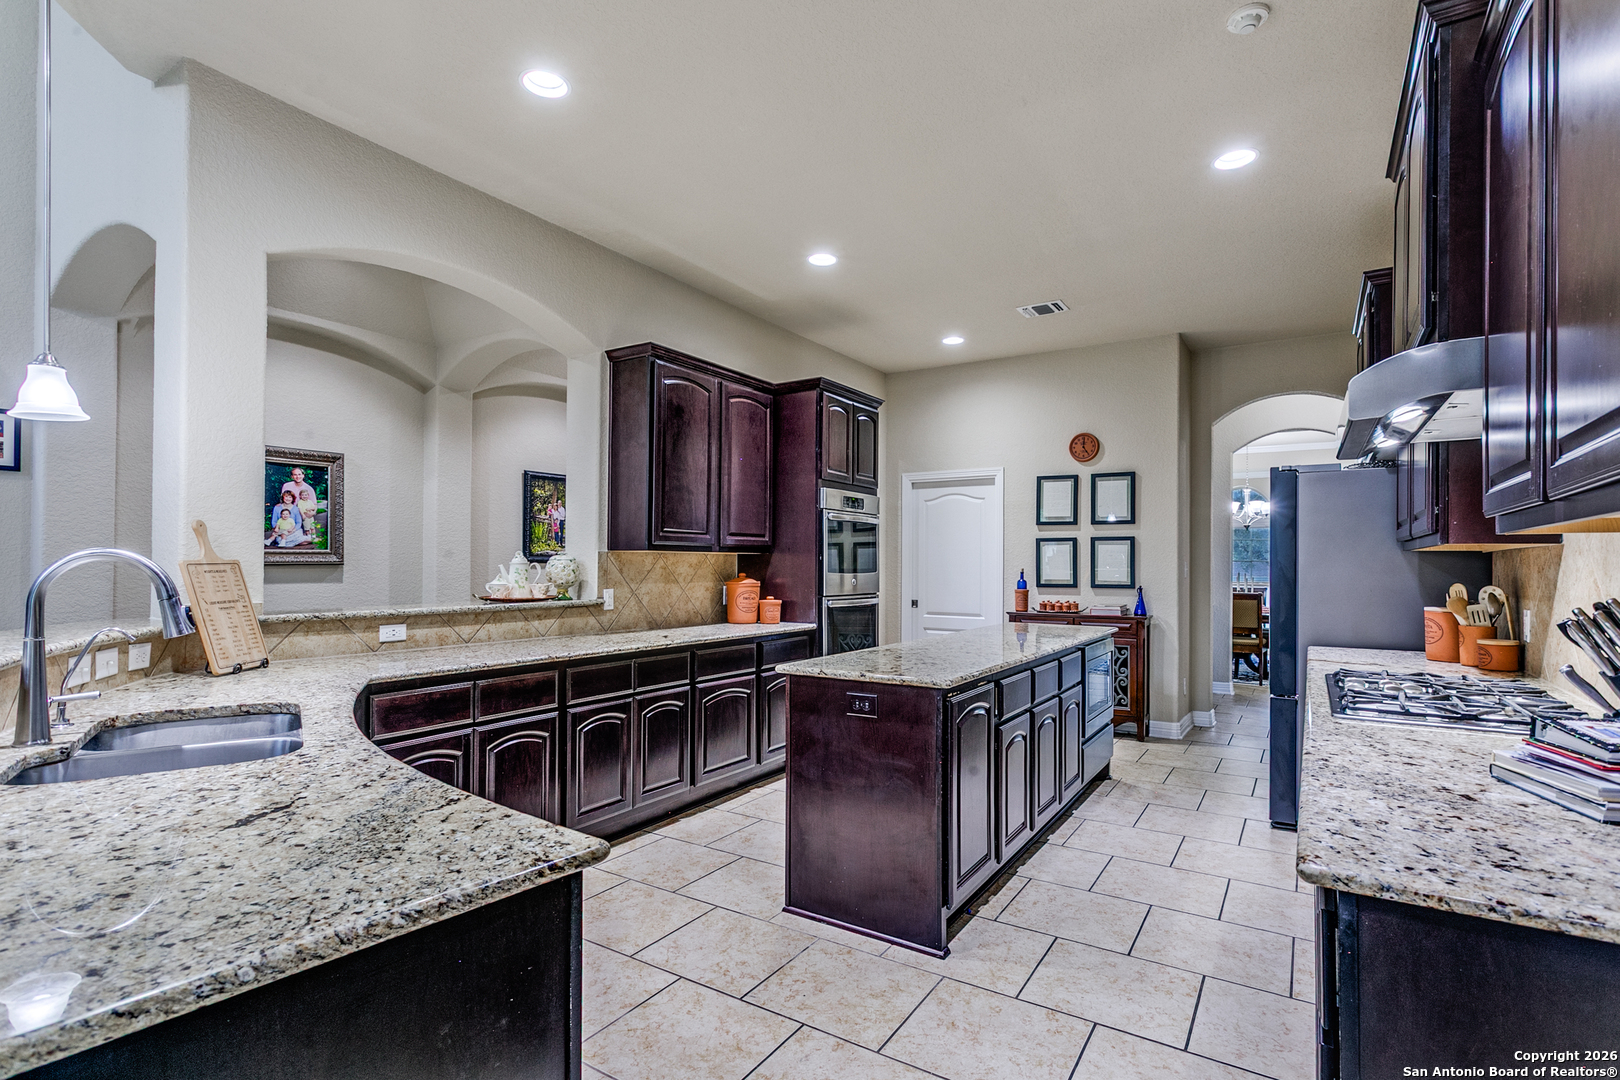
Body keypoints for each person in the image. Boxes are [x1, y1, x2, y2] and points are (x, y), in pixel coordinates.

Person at [281, 467, 319, 540]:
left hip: (304, 513)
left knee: (309, 525)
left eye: (299, 474)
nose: (297, 477)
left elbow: (314, 504)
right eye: (295, 475)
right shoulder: (286, 486)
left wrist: (313, 513)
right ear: (292, 476)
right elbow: (283, 499)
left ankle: (309, 536)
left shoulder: (309, 488)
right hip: (291, 512)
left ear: (303, 475)